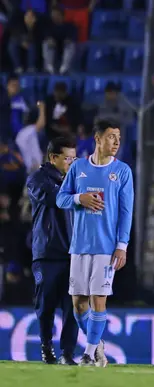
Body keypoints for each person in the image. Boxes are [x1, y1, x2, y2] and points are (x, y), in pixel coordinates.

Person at [56, 119, 134, 367]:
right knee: (79, 304)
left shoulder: (122, 171)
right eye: (111, 136)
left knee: (98, 299)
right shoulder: (78, 167)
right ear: (98, 139)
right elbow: (60, 199)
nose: (116, 142)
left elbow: (126, 212)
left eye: (119, 137)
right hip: (79, 246)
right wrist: (80, 198)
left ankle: (89, 354)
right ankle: (97, 344)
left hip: (106, 248)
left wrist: (122, 245)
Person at [28, 136, 78, 365]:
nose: (71, 163)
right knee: (45, 304)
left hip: (72, 253)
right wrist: (78, 196)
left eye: (74, 159)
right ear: (53, 157)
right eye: (67, 158)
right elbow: (55, 199)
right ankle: (46, 347)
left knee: (73, 306)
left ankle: (68, 353)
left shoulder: (75, 180)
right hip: (46, 253)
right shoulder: (37, 179)